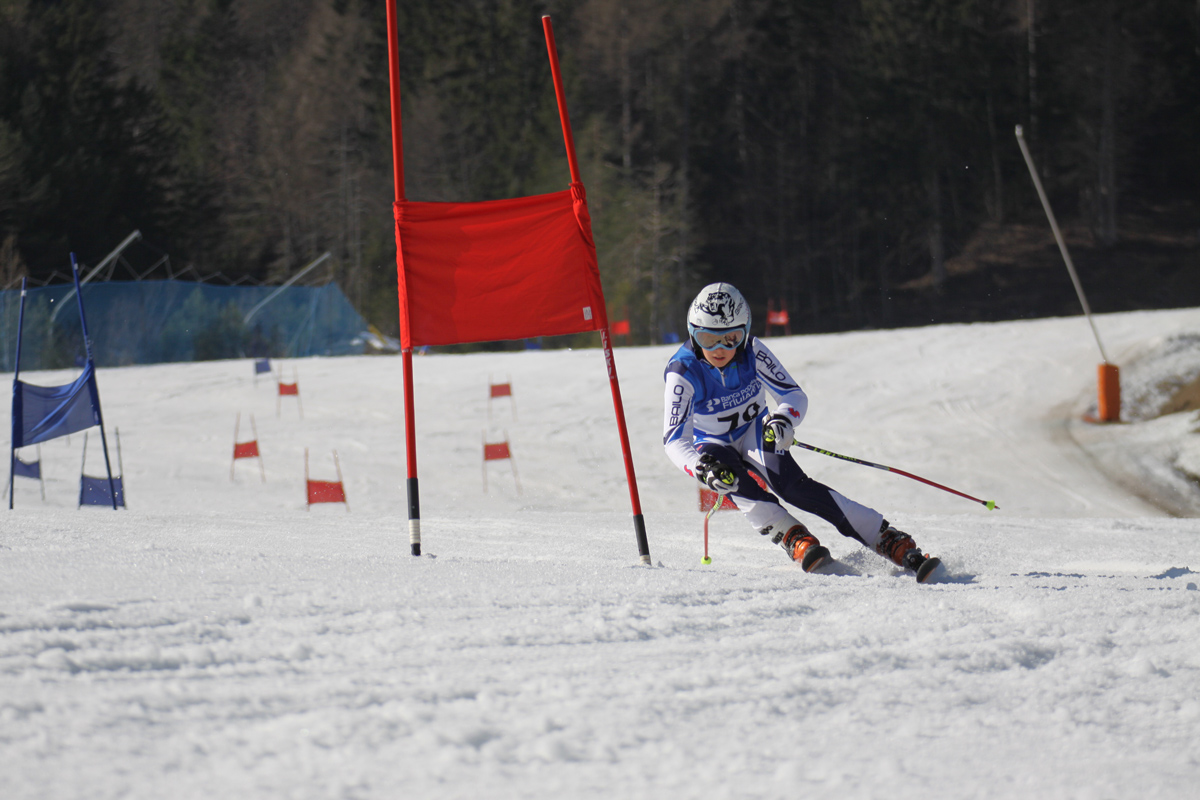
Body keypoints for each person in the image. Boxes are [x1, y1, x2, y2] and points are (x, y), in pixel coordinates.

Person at [662, 282, 940, 581]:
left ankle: (886, 538)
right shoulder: (683, 371)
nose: (719, 349)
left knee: (793, 486)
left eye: (730, 338)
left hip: (756, 429)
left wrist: (783, 420)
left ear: (745, 332)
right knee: (733, 483)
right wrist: (700, 467)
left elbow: (793, 395)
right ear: (692, 333)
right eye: (707, 338)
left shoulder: (753, 351)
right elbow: (674, 439)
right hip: (712, 443)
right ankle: (792, 537)